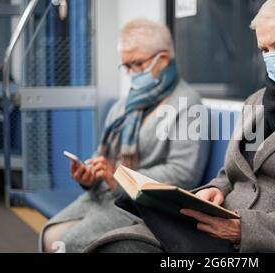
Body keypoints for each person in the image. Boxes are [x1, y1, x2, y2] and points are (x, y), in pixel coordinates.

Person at [85, 0, 275, 253]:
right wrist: (214, 192)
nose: (271, 58)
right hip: (214, 230)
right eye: (265, 49)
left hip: (263, 244)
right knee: (118, 244)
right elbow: (230, 175)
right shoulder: (257, 102)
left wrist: (244, 229)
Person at [40, 19, 210, 253]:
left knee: (66, 243)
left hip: (144, 206)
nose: (131, 73)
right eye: (126, 66)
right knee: (50, 235)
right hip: (105, 196)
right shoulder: (126, 104)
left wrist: (117, 177)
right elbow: (103, 155)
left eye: (137, 64)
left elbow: (184, 173)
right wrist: (89, 175)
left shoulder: (188, 104)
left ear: (162, 59)